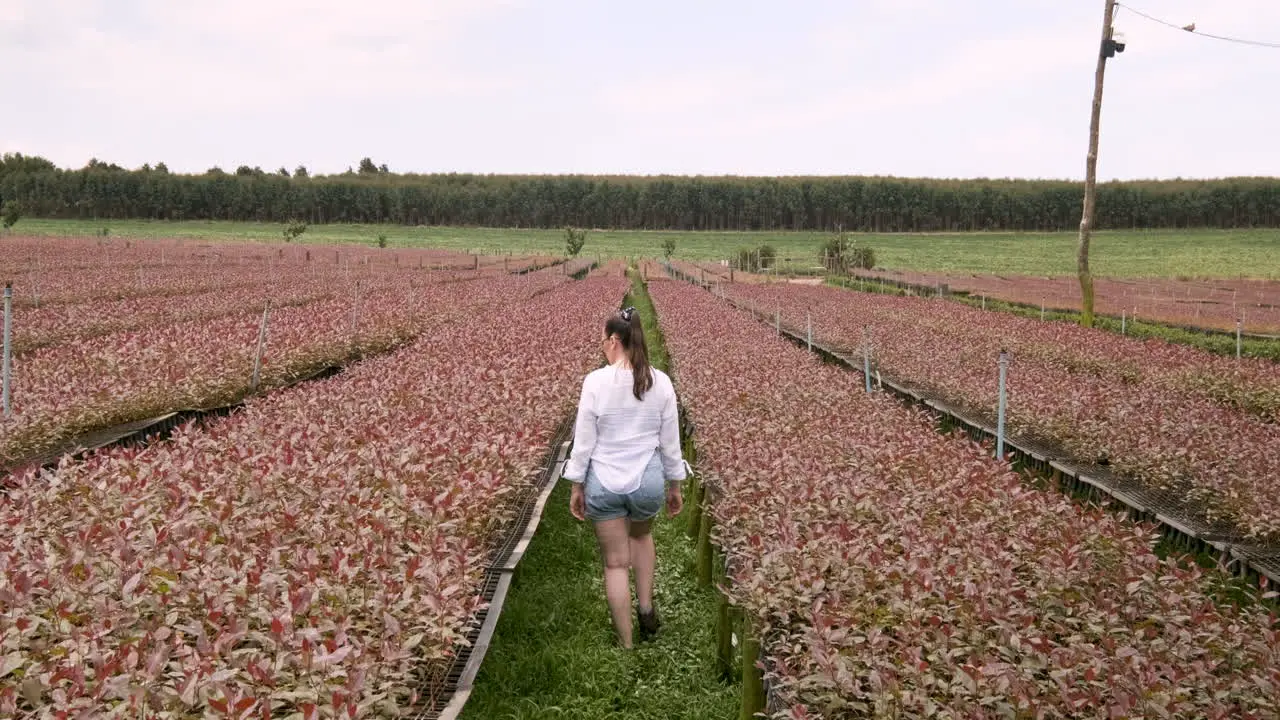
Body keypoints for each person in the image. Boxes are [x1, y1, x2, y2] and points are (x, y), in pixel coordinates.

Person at [563, 306, 687, 649]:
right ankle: (646, 609)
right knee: (642, 538)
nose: (602, 346)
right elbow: (669, 442)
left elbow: (584, 440)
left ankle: (627, 643)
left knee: (615, 564)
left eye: (604, 340)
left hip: (603, 480)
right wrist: (674, 485)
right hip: (646, 481)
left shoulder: (595, 382)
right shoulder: (660, 382)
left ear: (615, 340)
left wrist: (577, 485)